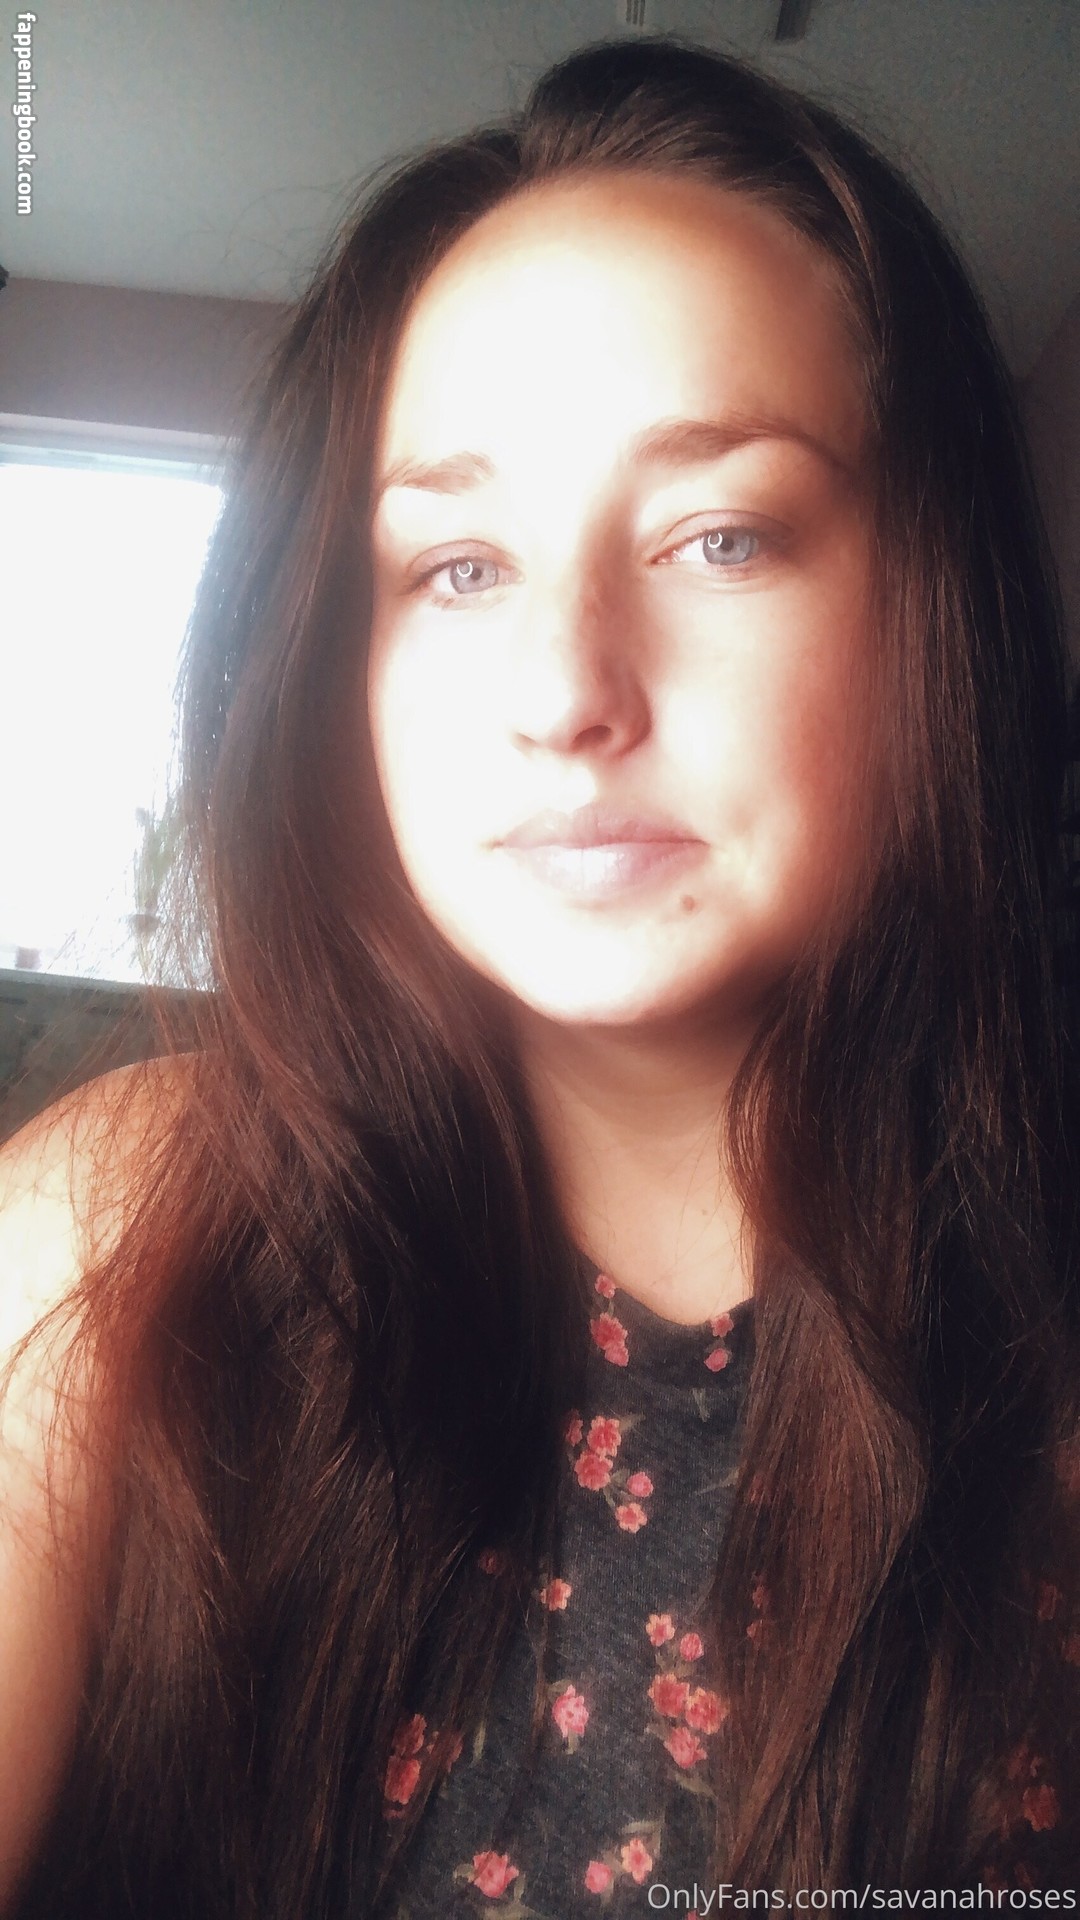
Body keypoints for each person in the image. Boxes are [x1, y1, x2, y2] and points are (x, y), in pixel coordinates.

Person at [2, 31, 1078, 1915]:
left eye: (721, 536)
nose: (571, 692)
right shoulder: (117, 1234)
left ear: (937, 614)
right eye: (459, 568)